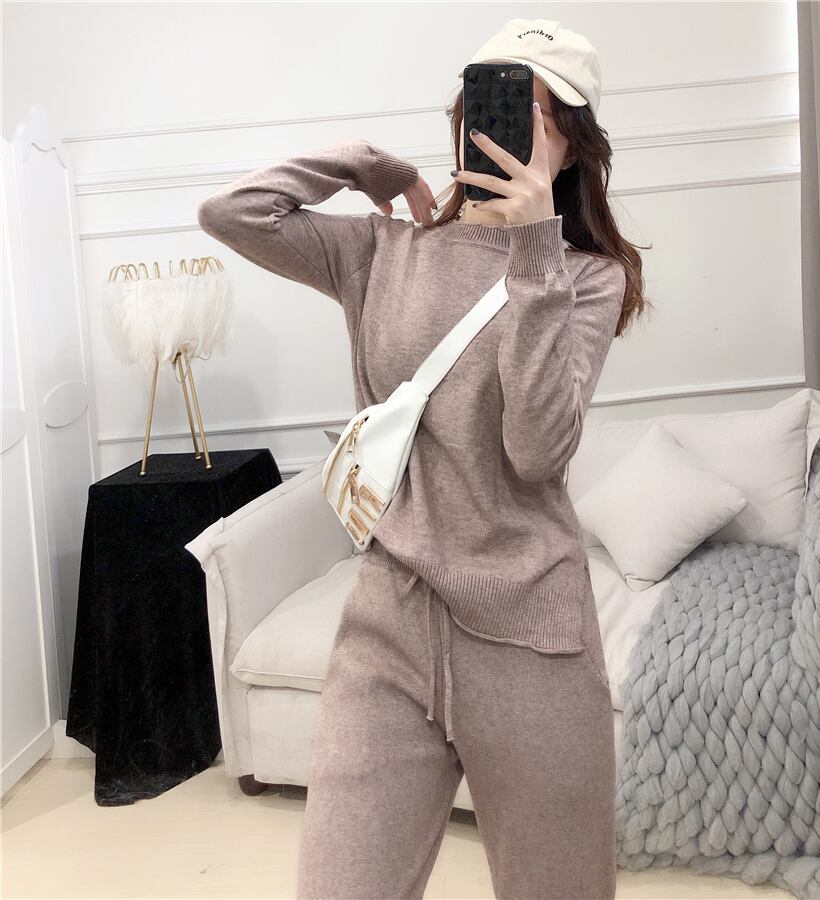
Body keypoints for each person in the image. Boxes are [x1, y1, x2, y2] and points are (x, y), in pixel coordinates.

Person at [198, 16, 646, 900]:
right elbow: (231, 214)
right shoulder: (381, 252)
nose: (507, 127)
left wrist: (534, 254)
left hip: (531, 640)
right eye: (491, 101)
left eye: (537, 110)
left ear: (572, 139)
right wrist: (364, 164)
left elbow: (535, 452)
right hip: (387, 629)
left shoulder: (587, 277)